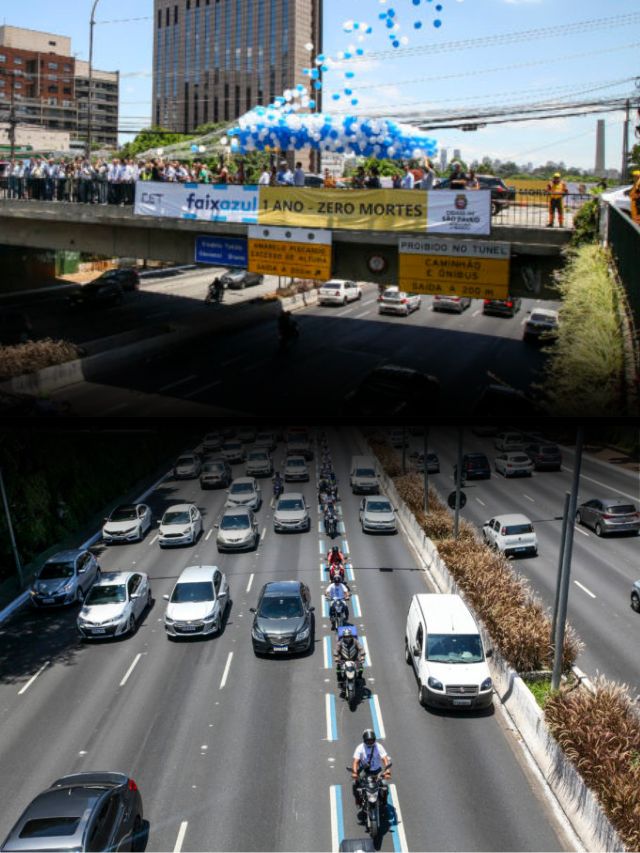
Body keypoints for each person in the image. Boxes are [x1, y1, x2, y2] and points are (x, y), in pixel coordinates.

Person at [351, 729, 391, 808]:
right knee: (355, 784)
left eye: (371, 740)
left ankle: (384, 801)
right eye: (368, 740)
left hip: (377, 771)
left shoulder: (378, 746)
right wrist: (355, 773)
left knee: (385, 785)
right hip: (364, 772)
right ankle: (358, 800)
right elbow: (355, 762)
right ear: (364, 740)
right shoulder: (360, 748)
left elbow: (385, 759)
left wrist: (387, 771)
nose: (370, 742)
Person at [334, 627, 365, 691]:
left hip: (354, 659)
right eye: (346, 636)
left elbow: (361, 649)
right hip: (343, 659)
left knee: (361, 667)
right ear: (343, 636)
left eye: (348, 636)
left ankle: (359, 677)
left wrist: (362, 656)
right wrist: (336, 657)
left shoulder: (355, 641)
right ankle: (340, 679)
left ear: (351, 636)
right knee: (338, 668)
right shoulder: (340, 642)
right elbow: (336, 650)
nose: (347, 638)